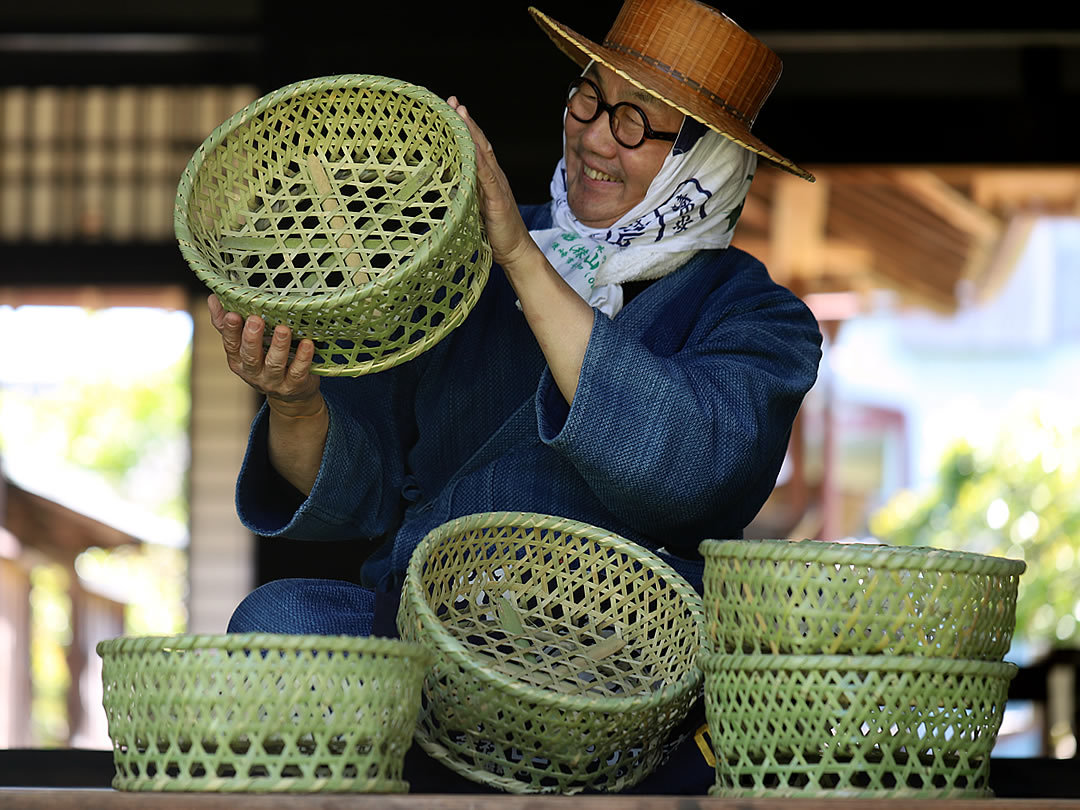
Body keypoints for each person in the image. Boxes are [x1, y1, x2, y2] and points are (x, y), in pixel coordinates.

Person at [215, 0, 822, 639]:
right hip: (429, 630)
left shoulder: (759, 316)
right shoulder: (462, 251)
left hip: (617, 654)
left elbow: (692, 475)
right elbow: (359, 488)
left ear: (706, 161)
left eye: (635, 124)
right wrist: (296, 404)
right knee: (273, 622)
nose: (593, 136)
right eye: (588, 98)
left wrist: (520, 257)